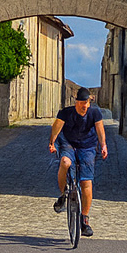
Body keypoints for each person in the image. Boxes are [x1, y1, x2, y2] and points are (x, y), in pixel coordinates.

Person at [48, 86, 107, 236]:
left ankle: (84, 220)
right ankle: (63, 195)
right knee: (65, 163)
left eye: (85, 103)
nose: (82, 106)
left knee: (86, 182)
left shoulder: (94, 113)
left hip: (87, 146)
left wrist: (103, 145)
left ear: (89, 102)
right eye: (80, 102)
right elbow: (57, 127)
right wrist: (52, 142)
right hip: (68, 143)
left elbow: (100, 129)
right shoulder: (66, 113)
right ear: (76, 102)